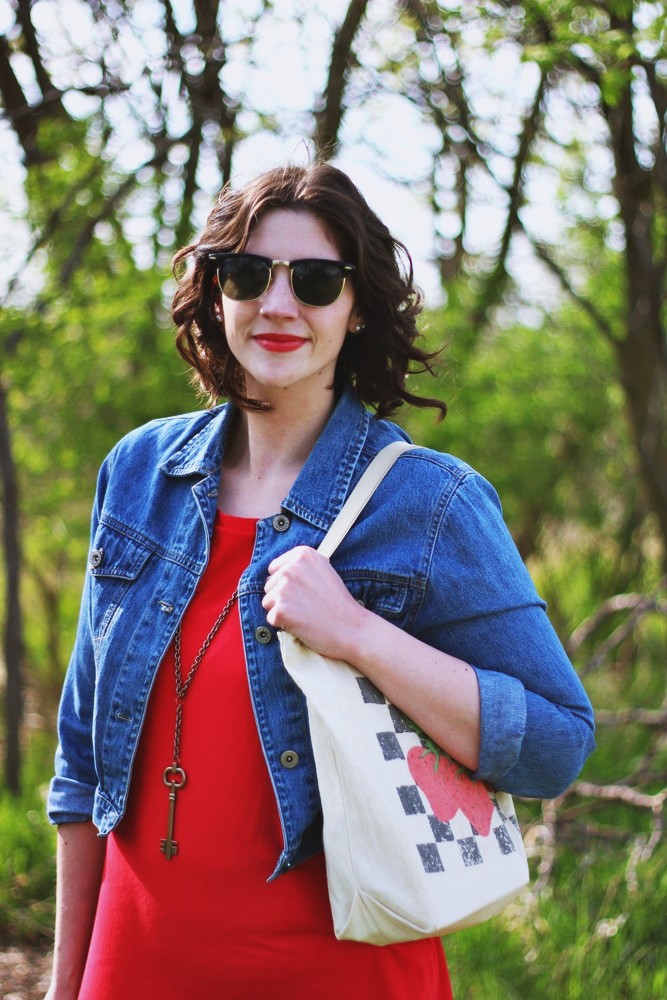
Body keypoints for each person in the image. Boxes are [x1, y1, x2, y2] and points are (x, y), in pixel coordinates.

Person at [45, 162, 595, 1000]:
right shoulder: (139, 473)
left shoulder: (430, 503)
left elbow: (556, 745)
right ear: (214, 292)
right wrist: (66, 983)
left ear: (357, 305)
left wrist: (358, 636)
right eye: (247, 274)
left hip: (340, 971)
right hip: (136, 966)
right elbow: (83, 766)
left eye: (313, 281)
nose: (277, 304)